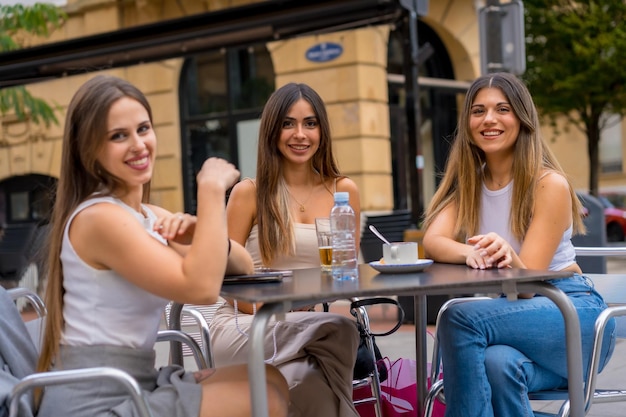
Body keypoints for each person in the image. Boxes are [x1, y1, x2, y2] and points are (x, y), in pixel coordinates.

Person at [36, 75, 289, 417]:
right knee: (266, 398)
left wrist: (202, 233)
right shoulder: (99, 219)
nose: (138, 145)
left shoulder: (145, 215)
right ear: (89, 150)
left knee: (270, 377)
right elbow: (201, 289)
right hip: (94, 401)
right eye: (118, 136)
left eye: (143, 129)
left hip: (136, 381)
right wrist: (211, 190)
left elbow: (243, 264)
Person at [421, 72, 616, 417]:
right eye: (478, 111)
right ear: (467, 123)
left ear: (522, 119)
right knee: (497, 364)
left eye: (502, 109)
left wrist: (509, 256)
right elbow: (432, 241)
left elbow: (526, 286)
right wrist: (473, 252)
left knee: (457, 316)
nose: (489, 119)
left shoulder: (548, 184)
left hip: (571, 313)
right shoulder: (470, 184)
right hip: (515, 317)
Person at [209, 82, 362, 417]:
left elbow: (346, 272)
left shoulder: (342, 190)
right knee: (341, 329)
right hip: (245, 325)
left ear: (322, 130)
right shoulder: (248, 193)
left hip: (306, 326)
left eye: (310, 123)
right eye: (288, 123)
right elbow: (228, 283)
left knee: (304, 378)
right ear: (272, 131)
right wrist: (276, 307)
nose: (300, 134)